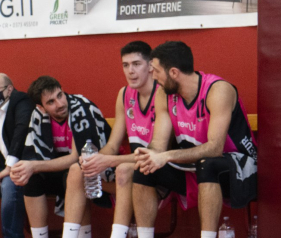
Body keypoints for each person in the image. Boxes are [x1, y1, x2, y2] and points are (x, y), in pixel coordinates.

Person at [132, 41, 257, 238]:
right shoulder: (163, 94)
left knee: (208, 163)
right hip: (193, 166)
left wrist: (166, 156)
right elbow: (158, 144)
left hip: (238, 169)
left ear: (174, 72)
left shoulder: (218, 90)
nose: (153, 76)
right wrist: (150, 154)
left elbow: (215, 148)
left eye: (155, 71)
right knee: (144, 168)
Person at [69, 41, 162, 238]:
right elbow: (112, 145)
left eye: (136, 64)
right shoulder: (124, 94)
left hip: (159, 166)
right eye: (125, 65)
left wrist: (109, 160)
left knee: (123, 169)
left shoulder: (162, 94)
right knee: (77, 169)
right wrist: (95, 159)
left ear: (150, 66)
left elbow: (157, 152)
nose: (130, 71)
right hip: (132, 164)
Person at [12, 76, 112, 238]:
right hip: (60, 170)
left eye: (60, 95)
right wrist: (22, 169)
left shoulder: (80, 107)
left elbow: (77, 157)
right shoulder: (38, 115)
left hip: (94, 169)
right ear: (41, 107)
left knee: (76, 173)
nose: (60, 104)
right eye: (51, 102)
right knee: (31, 179)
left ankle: (82, 236)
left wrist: (33, 166)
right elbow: (32, 156)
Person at [0, 74, 34, 238]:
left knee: (10, 186)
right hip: (3, 168)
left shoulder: (21, 100)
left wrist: (9, 167)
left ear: (9, 89)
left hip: (23, 166)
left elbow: (22, 129)